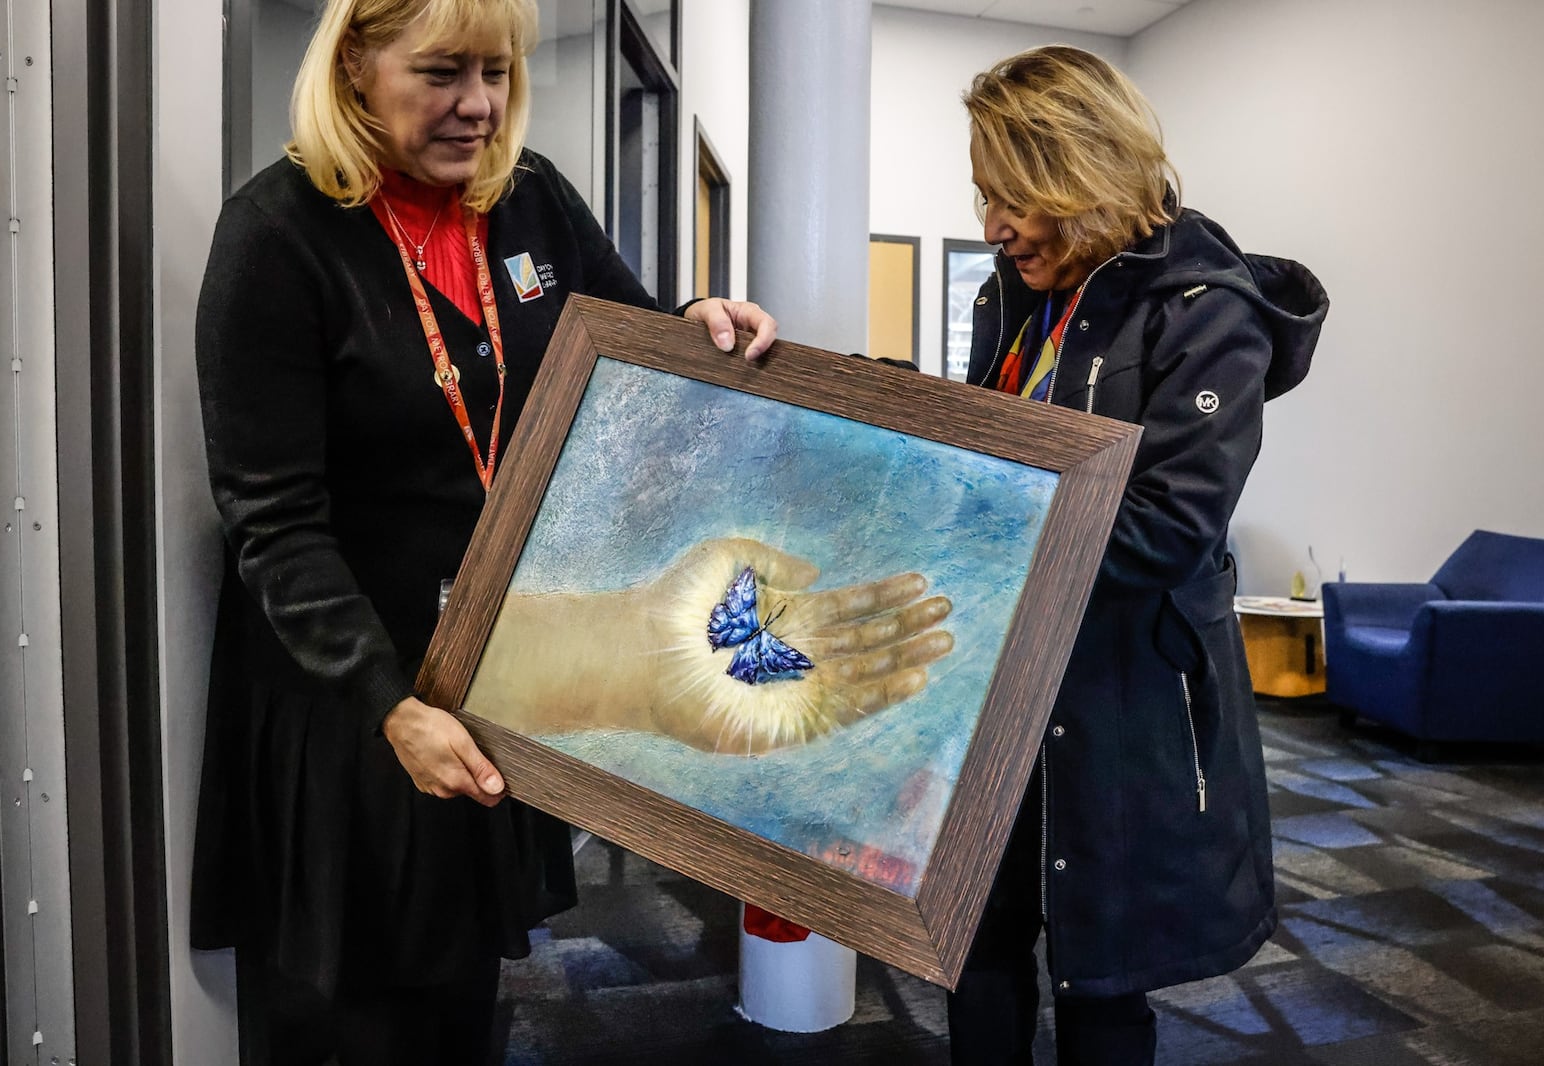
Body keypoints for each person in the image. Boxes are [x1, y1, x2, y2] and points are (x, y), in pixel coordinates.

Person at [187, 1, 806, 1062]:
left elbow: (630, 337)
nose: (478, 105)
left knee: (460, 1002)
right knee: (353, 1016)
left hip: (482, 665)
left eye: (497, 72)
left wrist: (700, 321)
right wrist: (387, 702)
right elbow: (273, 520)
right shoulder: (277, 234)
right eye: (440, 73)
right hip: (350, 694)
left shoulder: (529, 204)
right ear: (353, 69)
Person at [948, 46, 1328, 1065]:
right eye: (985, 197)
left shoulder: (1206, 313)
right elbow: (1001, 440)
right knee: (973, 943)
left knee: (1100, 977)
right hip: (1004, 688)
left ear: (1075, 169)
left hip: (1120, 702)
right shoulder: (1018, 296)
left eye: (1009, 197)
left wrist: (970, 518)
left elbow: (1165, 526)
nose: (991, 225)